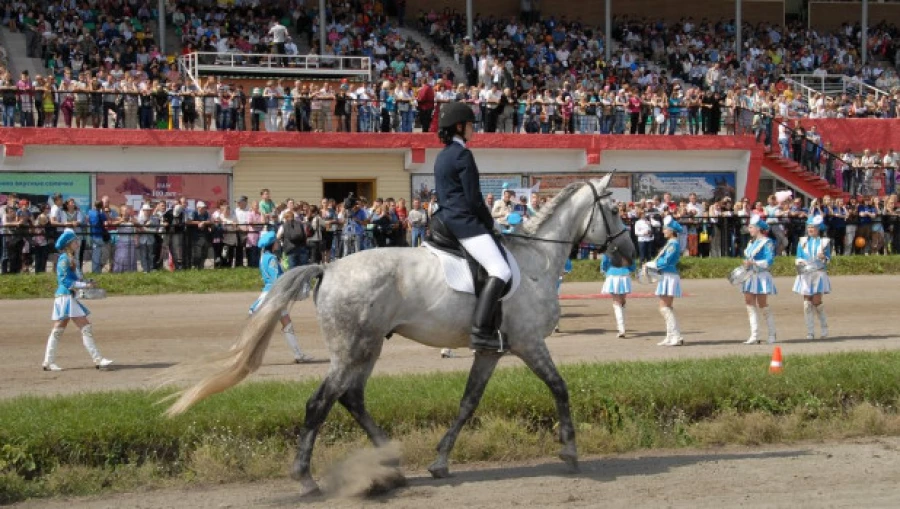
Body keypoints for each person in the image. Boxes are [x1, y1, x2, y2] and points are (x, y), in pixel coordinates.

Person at [433, 101, 512, 353]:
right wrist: (491, 225)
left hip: (444, 219)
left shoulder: (442, 156)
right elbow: (473, 199)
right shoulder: (463, 155)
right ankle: (480, 333)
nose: (473, 130)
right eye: (470, 126)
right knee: (501, 269)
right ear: (459, 127)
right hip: (464, 223)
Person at [42, 228, 113, 371]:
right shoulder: (64, 259)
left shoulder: (71, 258)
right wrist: (85, 285)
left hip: (67, 298)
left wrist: (87, 283)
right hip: (66, 297)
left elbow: (74, 279)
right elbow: (65, 281)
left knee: (58, 330)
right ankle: (98, 359)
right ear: (69, 244)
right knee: (85, 327)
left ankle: (48, 362)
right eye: (75, 241)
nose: (77, 243)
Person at [249, 231, 312, 363]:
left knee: (287, 324)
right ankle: (245, 356)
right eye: (277, 242)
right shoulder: (271, 259)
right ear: (272, 244)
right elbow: (276, 279)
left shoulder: (264, 257)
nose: (278, 243)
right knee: (260, 328)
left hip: (273, 295)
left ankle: (298, 355)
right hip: (273, 296)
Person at [792, 215, 831, 339]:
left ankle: (824, 328)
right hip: (805, 273)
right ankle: (810, 331)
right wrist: (800, 262)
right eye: (808, 227)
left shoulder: (825, 242)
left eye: (813, 227)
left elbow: (829, 259)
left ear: (818, 229)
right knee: (807, 302)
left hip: (818, 273)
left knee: (817, 301)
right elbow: (798, 257)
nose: (810, 229)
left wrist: (823, 257)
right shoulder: (802, 241)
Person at [741, 214, 778, 345]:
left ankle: (772, 333)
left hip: (761, 275)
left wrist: (755, 263)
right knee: (749, 303)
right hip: (750, 276)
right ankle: (754, 334)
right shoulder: (751, 242)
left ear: (757, 228)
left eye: (751, 227)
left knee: (762, 304)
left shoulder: (767, 242)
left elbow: (769, 260)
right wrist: (746, 263)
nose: (749, 229)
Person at [653, 217, 684, 346]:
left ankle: (676, 336)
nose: (663, 231)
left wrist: (653, 264)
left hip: (669, 275)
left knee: (664, 307)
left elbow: (666, 261)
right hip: (666, 275)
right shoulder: (670, 243)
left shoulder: (674, 244)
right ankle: (670, 335)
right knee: (666, 307)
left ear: (672, 231)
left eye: (665, 229)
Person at [601, 253, 636, 338]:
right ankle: (622, 328)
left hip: (612, 274)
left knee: (616, 302)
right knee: (622, 301)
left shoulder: (609, 249)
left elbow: (604, 264)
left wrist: (605, 271)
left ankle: (621, 329)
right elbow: (632, 266)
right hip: (624, 274)